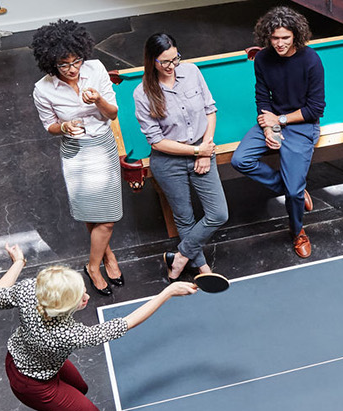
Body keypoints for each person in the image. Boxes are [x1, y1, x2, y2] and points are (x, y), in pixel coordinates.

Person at [0, 244, 196, 411]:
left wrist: (19, 261)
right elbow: (126, 323)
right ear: (62, 309)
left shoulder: (32, 289)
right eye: (79, 298)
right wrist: (167, 292)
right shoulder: (71, 334)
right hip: (34, 385)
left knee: (81, 388)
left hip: (23, 358)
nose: (87, 296)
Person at [30, 19, 125, 296]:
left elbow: (112, 114)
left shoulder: (95, 69)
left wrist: (97, 100)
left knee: (107, 218)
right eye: (64, 64)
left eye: (76, 61)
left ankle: (92, 265)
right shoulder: (43, 89)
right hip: (74, 151)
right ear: (51, 63)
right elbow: (49, 126)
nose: (72, 69)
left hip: (102, 145)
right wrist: (64, 127)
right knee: (90, 212)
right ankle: (106, 259)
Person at [230, 6, 325, 258]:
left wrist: (279, 120)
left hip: (301, 125)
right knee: (240, 160)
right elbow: (262, 96)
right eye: (275, 38)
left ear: (295, 35)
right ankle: (291, 187)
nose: (280, 43)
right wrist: (270, 128)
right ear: (267, 37)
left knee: (295, 193)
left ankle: (297, 232)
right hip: (273, 120)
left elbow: (315, 109)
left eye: (285, 37)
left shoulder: (311, 60)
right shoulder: (262, 58)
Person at [133, 33, 229, 280]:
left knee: (218, 214)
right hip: (168, 161)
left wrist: (205, 148)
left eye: (175, 59)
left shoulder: (192, 71)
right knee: (184, 217)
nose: (171, 66)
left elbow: (210, 110)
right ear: (151, 61)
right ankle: (203, 268)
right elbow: (156, 141)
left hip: (202, 150)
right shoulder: (142, 93)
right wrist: (196, 151)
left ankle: (180, 257)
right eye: (164, 62)